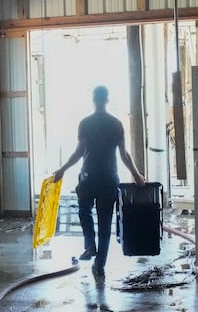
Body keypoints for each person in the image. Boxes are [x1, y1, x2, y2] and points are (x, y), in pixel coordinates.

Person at [53, 85, 145, 277]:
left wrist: (62, 170)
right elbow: (124, 154)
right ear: (107, 100)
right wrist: (136, 175)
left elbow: (79, 153)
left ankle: (90, 244)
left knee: (84, 210)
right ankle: (100, 264)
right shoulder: (116, 124)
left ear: (93, 100)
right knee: (105, 222)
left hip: (89, 176)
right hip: (109, 178)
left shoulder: (85, 123)